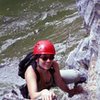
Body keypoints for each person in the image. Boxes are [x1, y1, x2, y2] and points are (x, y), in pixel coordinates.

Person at [18, 40, 86, 100]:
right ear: (37, 59)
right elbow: (33, 96)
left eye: (51, 57)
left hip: (49, 84)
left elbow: (59, 82)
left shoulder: (53, 65)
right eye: (44, 58)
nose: (48, 61)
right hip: (36, 93)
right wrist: (44, 92)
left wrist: (70, 91)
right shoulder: (31, 71)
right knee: (50, 97)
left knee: (76, 75)